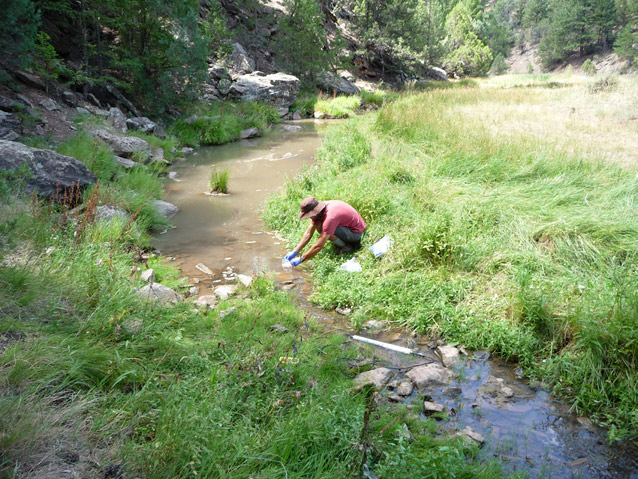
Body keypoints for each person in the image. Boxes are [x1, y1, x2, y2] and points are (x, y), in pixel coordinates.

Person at [284, 196, 366, 266]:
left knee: (324, 230)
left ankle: (346, 247)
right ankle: (342, 243)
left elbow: (319, 245)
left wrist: (301, 259)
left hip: (355, 233)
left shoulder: (330, 218)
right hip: (346, 226)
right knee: (319, 225)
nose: (309, 218)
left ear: (314, 213)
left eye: (309, 216)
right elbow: (308, 233)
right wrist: (295, 251)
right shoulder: (321, 210)